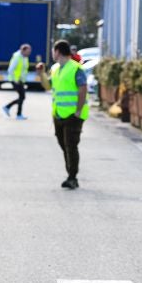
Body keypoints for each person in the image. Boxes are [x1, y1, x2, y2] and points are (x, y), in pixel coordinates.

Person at [49, 39, 89, 190]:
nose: (53, 53)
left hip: (73, 116)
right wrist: (40, 75)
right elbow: (49, 87)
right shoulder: (55, 69)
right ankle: (71, 174)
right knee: (63, 145)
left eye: (54, 50)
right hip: (58, 114)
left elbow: (82, 88)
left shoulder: (75, 68)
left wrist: (78, 111)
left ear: (58, 51)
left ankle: (72, 177)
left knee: (71, 146)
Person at [3, 43, 32, 119]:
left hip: (20, 80)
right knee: (22, 96)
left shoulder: (25, 57)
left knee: (22, 97)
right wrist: (15, 80)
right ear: (23, 50)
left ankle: (9, 108)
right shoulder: (17, 57)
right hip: (15, 80)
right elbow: (10, 70)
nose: (29, 53)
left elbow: (23, 69)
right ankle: (16, 113)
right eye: (28, 51)